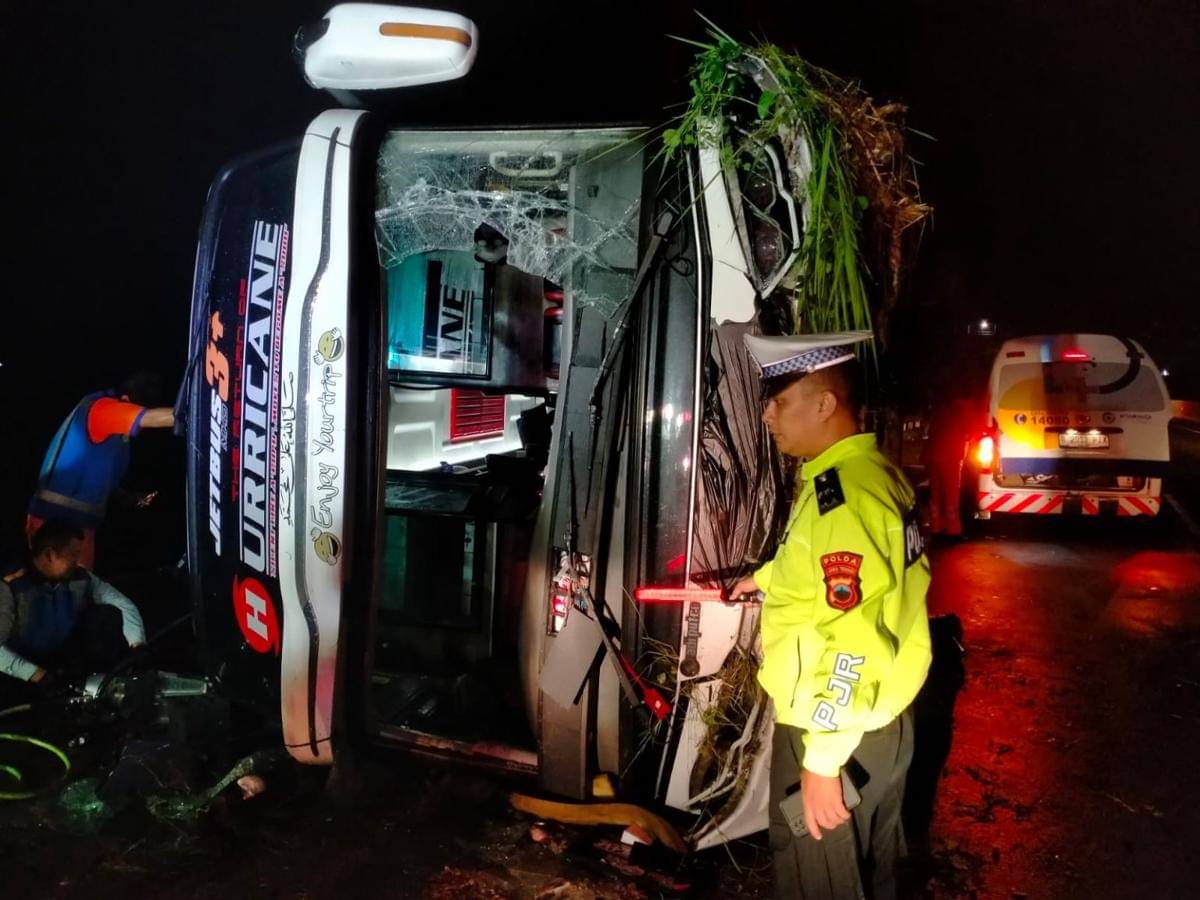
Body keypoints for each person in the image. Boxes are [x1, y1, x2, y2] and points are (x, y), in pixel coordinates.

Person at [731, 332, 932, 900]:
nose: (768, 412)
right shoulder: (868, 473)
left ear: (824, 405)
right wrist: (765, 579)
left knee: (817, 881)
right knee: (871, 872)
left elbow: (854, 635)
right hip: (877, 719)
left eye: (780, 398)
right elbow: (835, 569)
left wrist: (822, 761)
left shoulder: (842, 493)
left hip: (836, 724)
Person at [27, 373, 175, 570]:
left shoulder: (116, 434)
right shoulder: (104, 409)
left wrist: (129, 497)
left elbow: (101, 480)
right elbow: (153, 418)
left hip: (80, 528)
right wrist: (202, 412)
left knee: (78, 591)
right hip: (54, 526)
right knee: (56, 593)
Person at [1, 518, 145, 687]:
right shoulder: (10, 585)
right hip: (20, 670)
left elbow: (121, 603)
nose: (78, 560)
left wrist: (138, 645)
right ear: (50, 554)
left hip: (60, 659)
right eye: (73, 554)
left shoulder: (80, 577)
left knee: (105, 615)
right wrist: (37, 675)